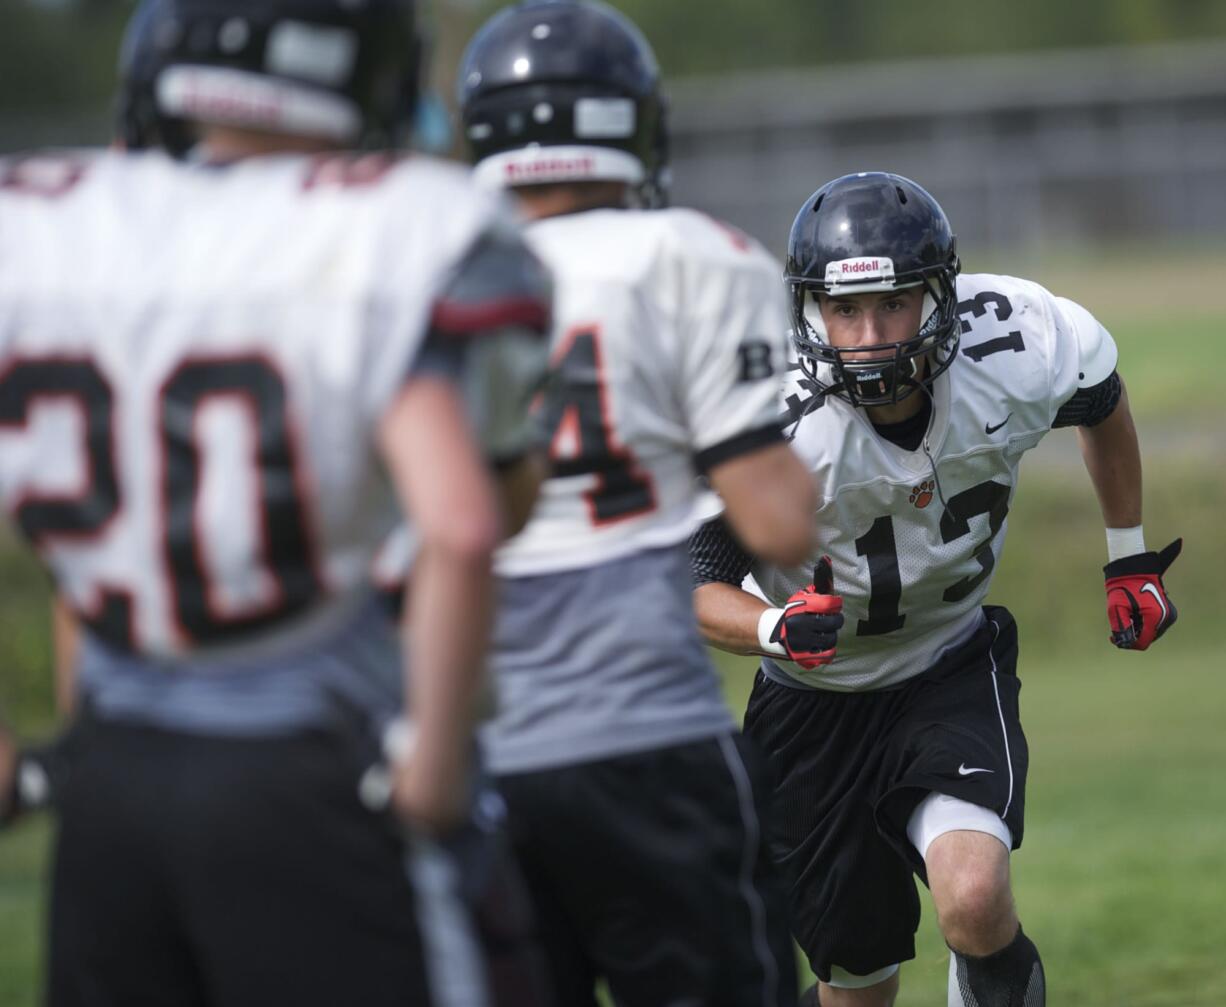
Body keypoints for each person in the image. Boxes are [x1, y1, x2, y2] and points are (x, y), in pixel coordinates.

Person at [0, 1, 552, 1004]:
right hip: (312, 763)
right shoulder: (391, 229)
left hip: (112, 788)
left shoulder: (50, 226)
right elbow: (468, 523)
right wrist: (432, 771)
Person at [689, 171, 1180, 1007]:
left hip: (948, 663)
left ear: (940, 297)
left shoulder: (1015, 346)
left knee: (975, 896)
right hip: (813, 702)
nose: (872, 336)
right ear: (811, 313)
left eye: (893, 305)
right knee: (858, 988)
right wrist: (773, 627)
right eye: (847, 311)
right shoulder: (770, 412)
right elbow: (692, 581)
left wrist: (1126, 554)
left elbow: (1101, 399)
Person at [454, 2, 817, 1004]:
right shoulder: (687, 255)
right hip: (642, 734)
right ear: (629, 124)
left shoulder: (421, 261)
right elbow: (776, 523)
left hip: (472, 744)